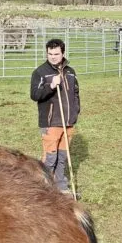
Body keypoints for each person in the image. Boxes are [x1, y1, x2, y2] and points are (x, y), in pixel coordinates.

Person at [30, 38, 80, 196]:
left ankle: (61, 187)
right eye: (50, 54)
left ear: (63, 53)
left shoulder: (70, 72)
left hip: (68, 122)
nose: (53, 57)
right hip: (51, 122)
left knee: (63, 157)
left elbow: (76, 93)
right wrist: (51, 86)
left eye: (56, 53)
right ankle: (42, 190)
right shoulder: (40, 72)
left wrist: (75, 111)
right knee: (50, 159)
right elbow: (35, 95)